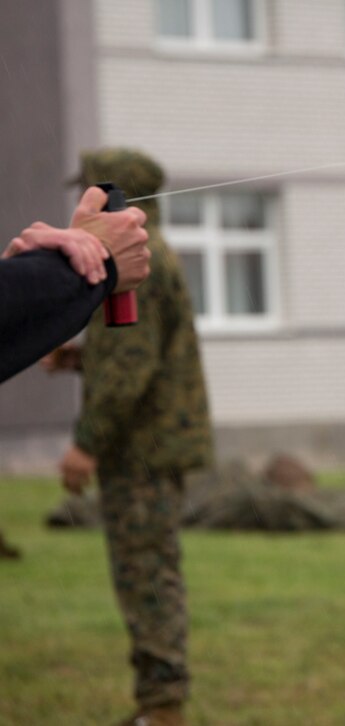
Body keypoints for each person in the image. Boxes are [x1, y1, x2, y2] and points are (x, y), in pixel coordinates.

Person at [56, 148, 213, 726]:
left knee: (145, 573)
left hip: (142, 449)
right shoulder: (151, 257)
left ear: (118, 197)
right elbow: (130, 352)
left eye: (93, 194)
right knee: (149, 567)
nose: (81, 205)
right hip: (152, 444)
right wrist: (78, 359)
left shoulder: (135, 268)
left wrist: (85, 445)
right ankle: (159, 704)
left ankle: (162, 709)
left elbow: (128, 371)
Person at [0, 185, 150, 383]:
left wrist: (28, 272)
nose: (78, 195)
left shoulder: (137, 252)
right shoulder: (131, 252)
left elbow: (134, 361)